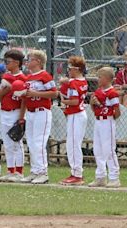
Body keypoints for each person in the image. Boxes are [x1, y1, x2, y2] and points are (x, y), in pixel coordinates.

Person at [20, 50, 57, 184]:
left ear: (39, 62)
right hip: (30, 112)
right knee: (30, 142)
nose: (28, 61)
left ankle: (43, 172)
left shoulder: (45, 76)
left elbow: (54, 93)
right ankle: (34, 171)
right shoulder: (29, 77)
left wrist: (36, 93)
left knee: (39, 142)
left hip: (42, 111)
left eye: (31, 59)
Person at [0, 49, 27, 183]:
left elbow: (24, 100)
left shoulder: (22, 78)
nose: (6, 64)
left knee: (16, 141)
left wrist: (21, 117)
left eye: (8, 62)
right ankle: (10, 170)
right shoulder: (5, 77)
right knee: (7, 143)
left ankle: (19, 172)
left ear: (16, 63)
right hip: (4, 111)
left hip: (15, 111)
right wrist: (6, 89)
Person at [89, 67, 121, 188]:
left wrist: (108, 113)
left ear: (107, 78)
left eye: (100, 77)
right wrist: (94, 104)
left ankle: (114, 178)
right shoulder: (98, 91)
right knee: (97, 149)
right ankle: (100, 177)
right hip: (98, 121)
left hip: (108, 121)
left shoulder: (112, 93)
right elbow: (94, 110)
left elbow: (117, 112)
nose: (98, 79)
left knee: (108, 150)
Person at [58, 56, 88, 186]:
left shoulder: (75, 83)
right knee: (72, 144)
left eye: (70, 68)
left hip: (76, 114)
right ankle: (75, 172)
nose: (68, 71)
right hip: (76, 114)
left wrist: (63, 101)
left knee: (73, 145)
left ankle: (77, 174)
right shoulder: (81, 81)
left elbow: (75, 101)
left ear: (77, 69)